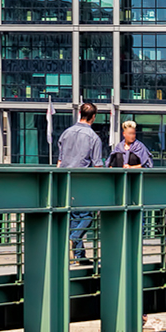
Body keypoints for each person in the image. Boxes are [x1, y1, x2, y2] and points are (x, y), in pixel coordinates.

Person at [57, 103, 107, 262]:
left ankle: (79, 256)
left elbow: (60, 160)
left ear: (79, 113)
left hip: (65, 180)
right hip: (83, 181)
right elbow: (98, 165)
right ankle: (72, 238)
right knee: (87, 215)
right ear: (93, 117)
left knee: (74, 217)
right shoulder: (93, 137)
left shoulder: (66, 133)